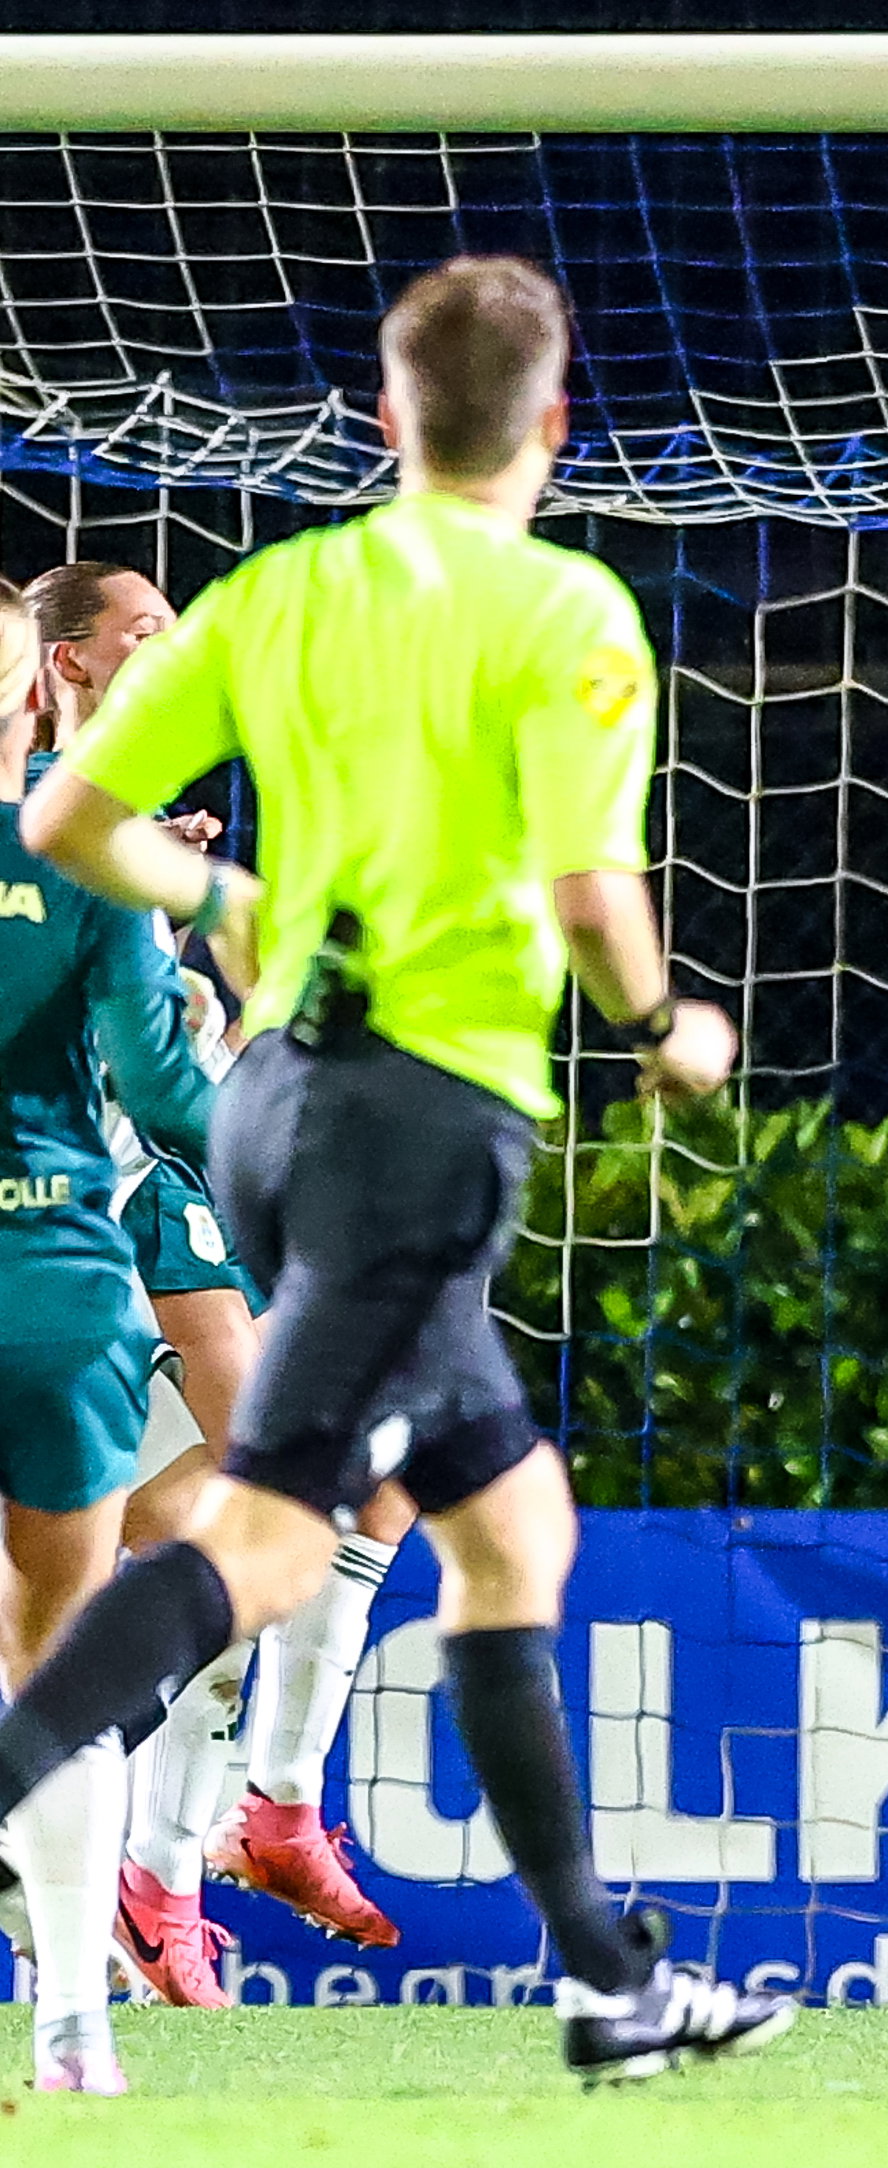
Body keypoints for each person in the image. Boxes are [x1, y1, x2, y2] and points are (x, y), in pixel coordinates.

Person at [8, 254, 786, 2085]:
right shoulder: (565, 608)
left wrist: (222, 892)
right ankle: (29, 1774)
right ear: (556, 421)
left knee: (508, 1529)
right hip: (417, 1121)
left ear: (385, 418)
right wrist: (665, 1022)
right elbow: (591, 893)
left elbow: (68, 815)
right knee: (273, 1531)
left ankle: (606, 1979)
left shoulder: (284, 590)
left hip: (276, 1104)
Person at [27, 560, 409, 2004]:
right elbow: (122, 1051)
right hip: (109, 1201)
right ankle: (155, 1833)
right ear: (63, 661)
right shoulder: (54, 812)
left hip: (154, 1182)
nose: (173, 643)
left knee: (312, 1490)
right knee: (288, 1483)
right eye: (143, 628)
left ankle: (174, 1856)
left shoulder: (113, 823)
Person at [0, 577, 216, 2092]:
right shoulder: (91, 853)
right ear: (36, 691)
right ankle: (72, 2018)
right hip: (53, 1287)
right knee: (57, 1654)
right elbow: (163, 1089)